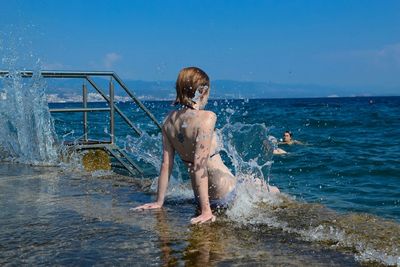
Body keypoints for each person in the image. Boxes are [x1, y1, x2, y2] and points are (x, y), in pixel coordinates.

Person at [132, 67, 279, 224]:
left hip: (201, 197)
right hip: (226, 193)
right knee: (274, 191)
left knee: (254, 183)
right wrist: (206, 211)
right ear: (202, 91)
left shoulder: (169, 121)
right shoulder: (207, 117)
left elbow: (166, 165)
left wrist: (159, 202)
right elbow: (199, 165)